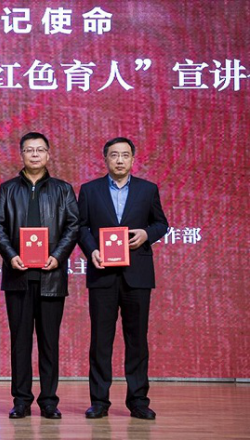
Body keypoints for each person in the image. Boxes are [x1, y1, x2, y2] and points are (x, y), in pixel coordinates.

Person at [78, 137, 168, 420]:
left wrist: (146, 234)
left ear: (132, 159)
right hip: (102, 273)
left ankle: (138, 401)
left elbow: (161, 223)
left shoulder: (148, 189)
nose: (119, 160)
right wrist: (91, 250)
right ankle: (99, 401)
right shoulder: (90, 190)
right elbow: (81, 227)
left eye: (125, 155)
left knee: (137, 341)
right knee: (100, 341)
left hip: (137, 275)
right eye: (114, 155)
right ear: (105, 159)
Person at [0, 132, 80, 419]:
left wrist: (58, 256)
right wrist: (10, 255)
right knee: (20, 343)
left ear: (48, 154)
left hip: (51, 277)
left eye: (40, 150)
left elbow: (73, 226)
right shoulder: (8, 189)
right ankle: (21, 400)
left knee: (49, 343)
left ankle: (49, 401)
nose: (34, 154)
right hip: (18, 277)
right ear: (21, 155)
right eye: (29, 150)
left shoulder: (63, 189)